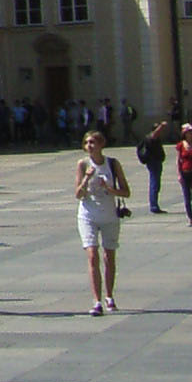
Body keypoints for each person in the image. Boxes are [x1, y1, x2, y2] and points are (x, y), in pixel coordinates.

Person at [73, 127, 129, 315]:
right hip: (88, 214)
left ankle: (109, 296)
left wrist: (109, 189)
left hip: (109, 215)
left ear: (101, 144)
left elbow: (126, 192)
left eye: (93, 142)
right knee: (92, 254)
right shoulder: (83, 164)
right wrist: (86, 179)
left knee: (109, 256)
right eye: (86, 143)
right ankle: (96, 300)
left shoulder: (112, 164)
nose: (89, 146)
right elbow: (78, 194)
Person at [135, 120, 170, 214]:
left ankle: (154, 204)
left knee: (156, 183)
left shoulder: (152, 138)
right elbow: (155, 133)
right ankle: (154, 205)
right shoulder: (151, 137)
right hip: (153, 162)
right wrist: (162, 126)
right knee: (155, 183)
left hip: (156, 162)